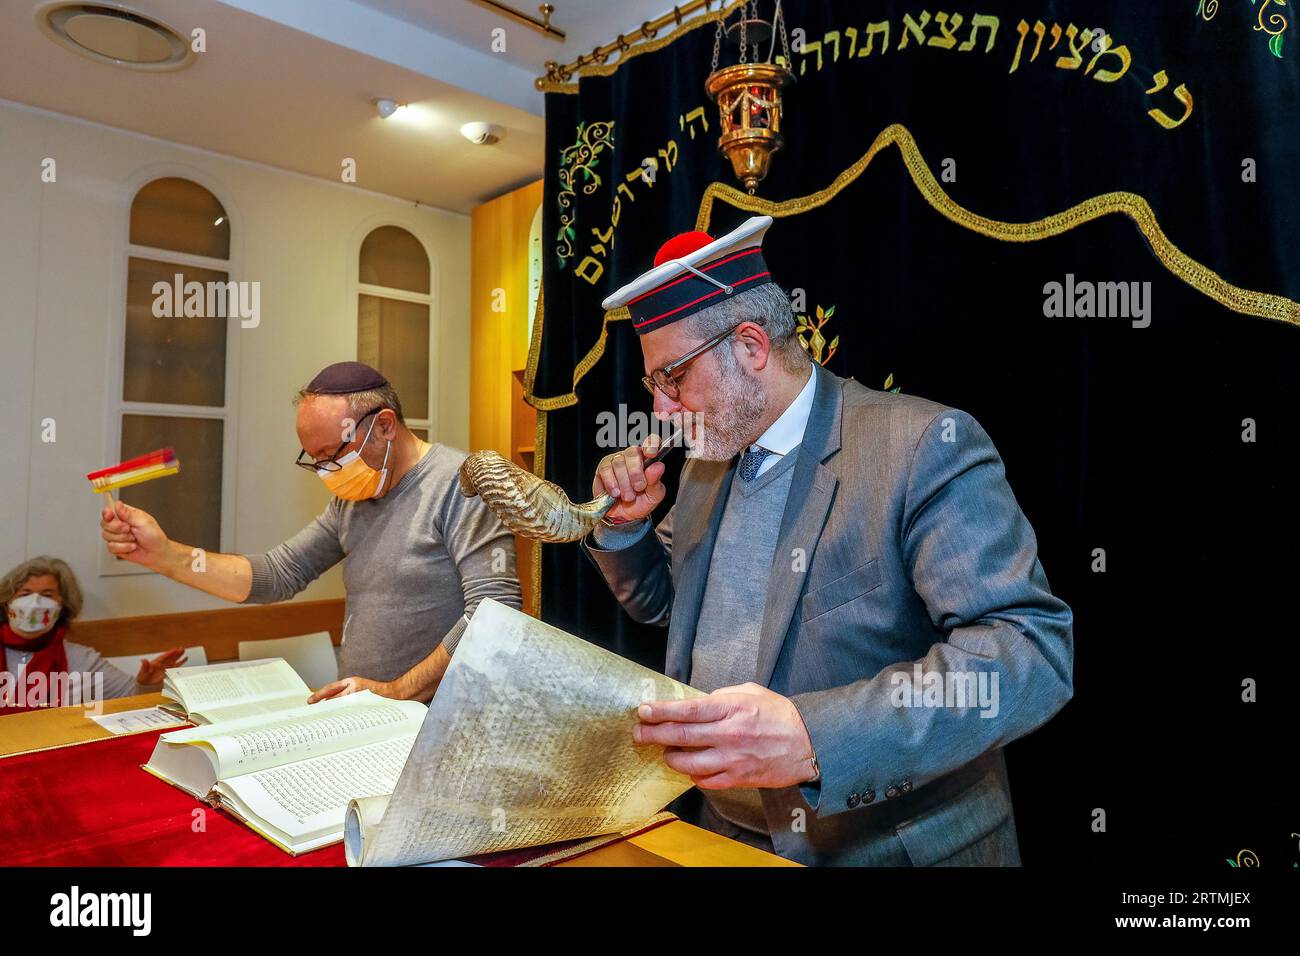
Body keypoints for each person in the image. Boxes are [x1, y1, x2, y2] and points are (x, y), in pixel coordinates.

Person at [583, 216, 1075, 866]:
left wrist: (815, 737)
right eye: (653, 386)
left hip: (885, 848)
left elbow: (1029, 652)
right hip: (725, 837)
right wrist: (624, 529)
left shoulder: (922, 447)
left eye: (672, 378)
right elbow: (664, 606)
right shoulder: (704, 468)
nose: (662, 411)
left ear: (751, 346)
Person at [101, 362, 521, 702]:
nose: (325, 472)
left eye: (332, 454)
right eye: (314, 459)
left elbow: (493, 613)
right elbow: (276, 574)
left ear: (385, 425)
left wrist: (395, 691)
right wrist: (164, 554)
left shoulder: (461, 484)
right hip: (367, 711)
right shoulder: (353, 498)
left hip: (443, 718)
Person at [1, 556, 185, 714]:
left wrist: (148, 684)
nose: (35, 603)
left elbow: (131, 698)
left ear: (62, 606)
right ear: (8, 601)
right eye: (25, 593)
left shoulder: (81, 659)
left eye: (47, 595)